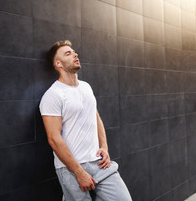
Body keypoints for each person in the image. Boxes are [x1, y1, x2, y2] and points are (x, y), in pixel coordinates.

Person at [39, 40, 132, 201]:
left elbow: (95, 117)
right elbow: (54, 139)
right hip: (71, 169)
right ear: (58, 63)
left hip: (99, 163)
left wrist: (104, 147)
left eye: (74, 51)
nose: (75, 54)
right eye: (68, 53)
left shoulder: (86, 87)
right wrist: (79, 172)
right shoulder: (53, 95)